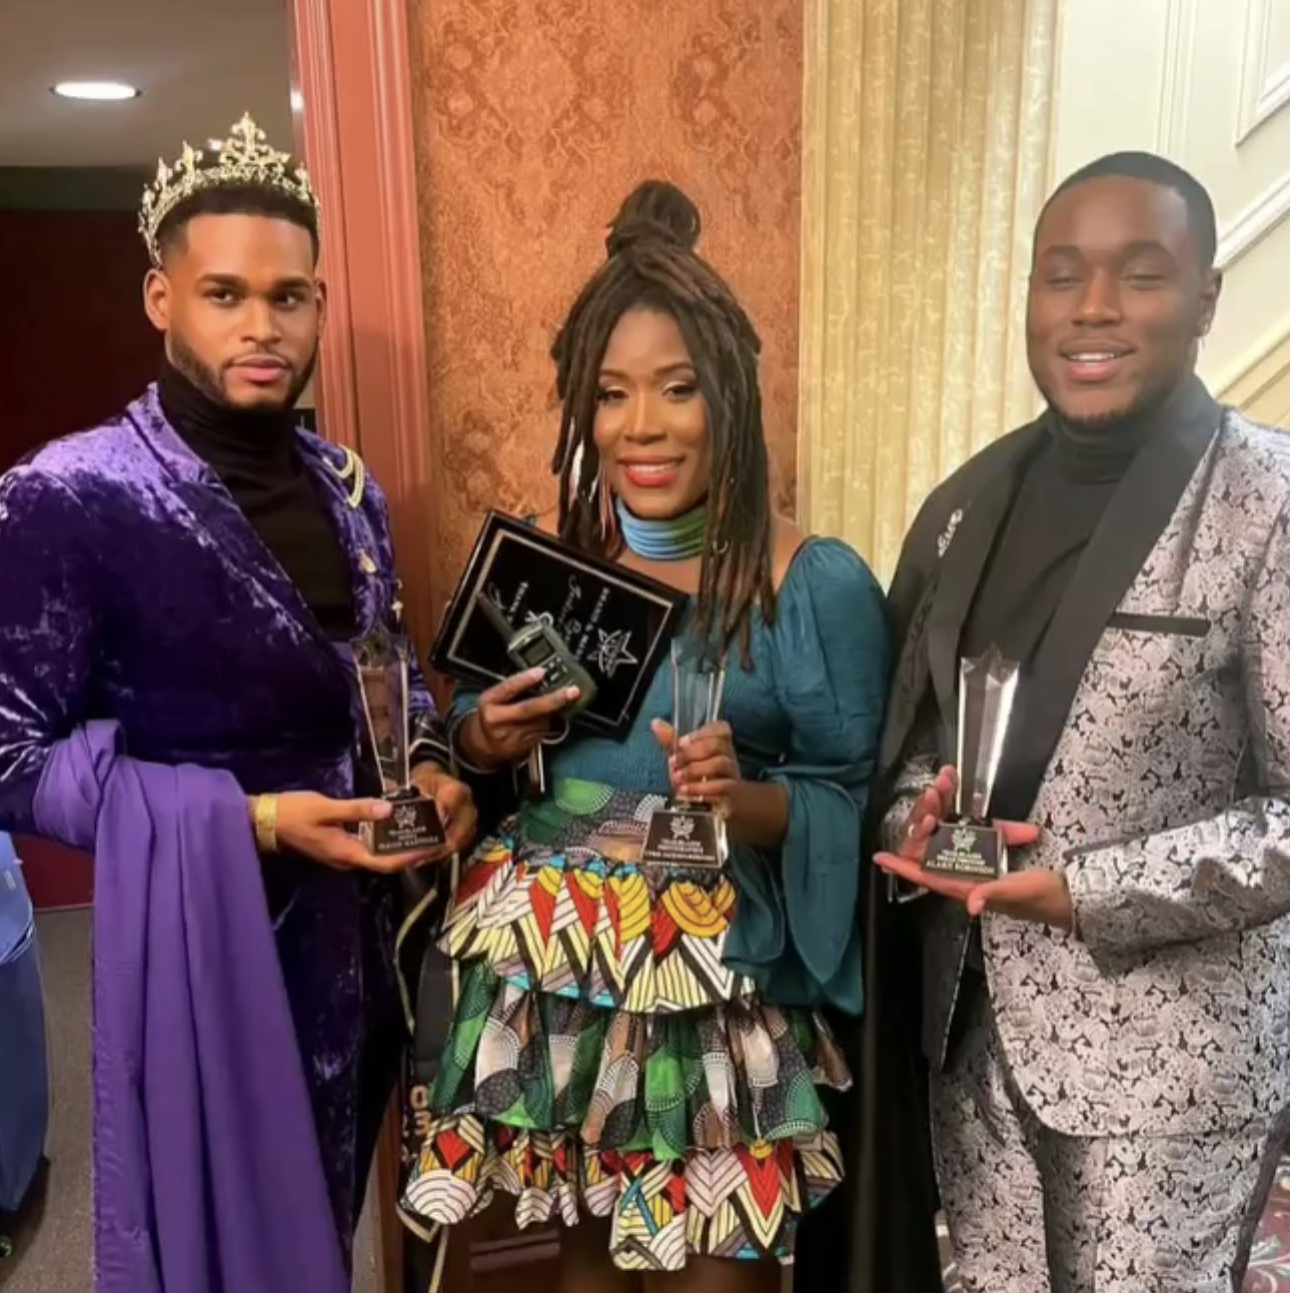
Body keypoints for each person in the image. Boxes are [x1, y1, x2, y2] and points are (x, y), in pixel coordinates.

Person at [0, 114, 476, 1286]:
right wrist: (250, 820)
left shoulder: (347, 489)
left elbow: (386, 676)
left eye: (288, 297)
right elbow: (10, 761)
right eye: (225, 294)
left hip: (362, 950)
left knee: (328, 1226)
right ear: (162, 298)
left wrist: (431, 760)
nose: (262, 326)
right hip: (206, 953)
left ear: (319, 305)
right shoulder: (72, 495)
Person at [398, 181, 890, 1292]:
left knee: (714, 1271)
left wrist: (749, 800)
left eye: (677, 389)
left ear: (732, 396)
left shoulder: (813, 584)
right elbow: (467, 735)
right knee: (584, 1267)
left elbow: (858, 802)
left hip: (713, 977)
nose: (642, 427)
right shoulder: (549, 566)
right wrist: (486, 740)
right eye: (612, 394)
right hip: (559, 967)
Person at [859, 151, 1290, 1292]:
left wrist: (1085, 890)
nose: (1093, 306)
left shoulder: (1270, 501)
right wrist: (915, 819)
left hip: (1174, 1072)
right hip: (975, 1036)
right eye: (1062, 275)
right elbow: (909, 743)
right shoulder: (967, 502)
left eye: (1138, 274)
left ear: (1206, 298)